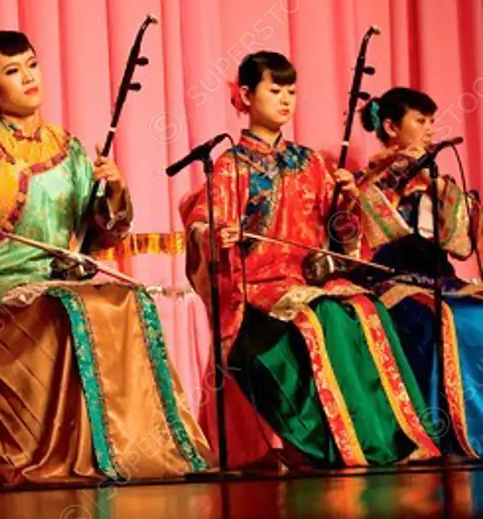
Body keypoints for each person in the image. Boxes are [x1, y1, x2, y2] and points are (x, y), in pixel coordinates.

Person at [0, 30, 212, 485]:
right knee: (70, 308)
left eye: (31, 64)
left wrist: (116, 191)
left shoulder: (69, 149)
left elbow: (101, 235)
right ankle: (72, 454)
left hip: (61, 279)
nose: (28, 77)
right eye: (12, 71)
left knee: (132, 301)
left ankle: (140, 450)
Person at [179, 52, 439, 468]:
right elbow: (202, 220)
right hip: (259, 288)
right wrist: (215, 234)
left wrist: (349, 203)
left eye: (292, 91)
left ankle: (385, 438)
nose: (286, 100)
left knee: (365, 308)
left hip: (309, 280)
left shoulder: (312, 162)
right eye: (275, 90)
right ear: (245, 96)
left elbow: (340, 235)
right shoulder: (230, 165)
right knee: (326, 318)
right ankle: (330, 443)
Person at [354, 87, 483, 457]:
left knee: (474, 314)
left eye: (431, 121)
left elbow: (460, 243)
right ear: (391, 126)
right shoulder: (369, 181)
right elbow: (371, 237)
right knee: (431, 322)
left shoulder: (435, 178)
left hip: (442, 278)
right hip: (393, 281)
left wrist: (436, 186)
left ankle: (471, 427)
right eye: (420, 121)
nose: (429, 129)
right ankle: (429, 431)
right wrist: (393, 181)